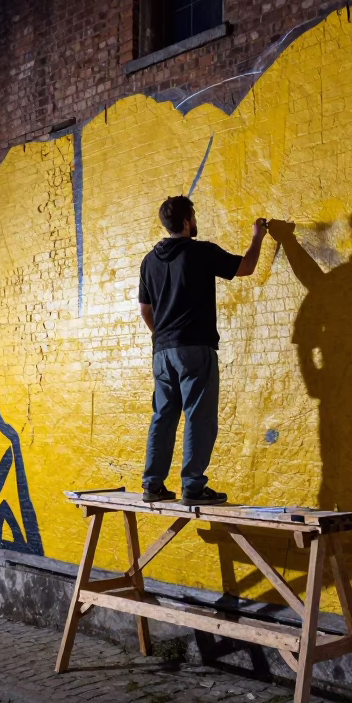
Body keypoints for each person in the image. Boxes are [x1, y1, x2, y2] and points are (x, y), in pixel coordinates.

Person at [138, 195, 268, 505]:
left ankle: (153, 485)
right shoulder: (199, 252)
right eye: (193, 217)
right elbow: (246, 267)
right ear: (185, 222)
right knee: (199, 416)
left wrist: (163, 336)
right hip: (195, 348)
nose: (195, 222)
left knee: (163, 417)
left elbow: (145, 308)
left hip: (162, 351)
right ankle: (193, 488)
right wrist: (257, 237)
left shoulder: (149, 261)